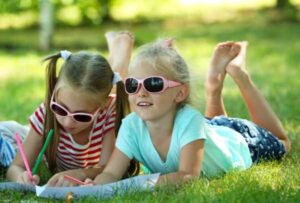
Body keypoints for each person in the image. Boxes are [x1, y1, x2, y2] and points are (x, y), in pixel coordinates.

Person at [91, 39, 291, 186]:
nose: (141, 92)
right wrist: (93, 188)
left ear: (180, 93)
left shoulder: (190, 121)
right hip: (210, 130)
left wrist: (139, 184)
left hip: (240, 140)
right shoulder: (131, 125)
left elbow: (187, 176)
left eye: (154, 84)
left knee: (283, 143)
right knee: (213, 123)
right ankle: (214, 85)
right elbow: (111, 174)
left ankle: (239, 74)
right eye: (133, 84)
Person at [6, 31, 138, 187]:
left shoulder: (109, 112)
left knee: (120, 83)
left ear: (102, 107)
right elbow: (16, 167)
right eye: (60, 109)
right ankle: (117, 50)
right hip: (23, 130)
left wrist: (79, 173)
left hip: (108, 100)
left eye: (82, 116)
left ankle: (121, 52)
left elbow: (107, 168)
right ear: (54, 89)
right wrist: (21, 177)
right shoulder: (46, 113)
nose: (68, 122)